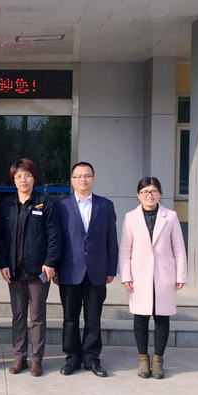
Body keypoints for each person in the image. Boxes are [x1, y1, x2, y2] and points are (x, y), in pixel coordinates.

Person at [0, 158, 61, 377]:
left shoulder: (44, 202)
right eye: (19, 176)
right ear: (13, 180)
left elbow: (54, 235)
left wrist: (50, 262)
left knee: (37, 315)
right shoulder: (7, 205)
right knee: (18, 315)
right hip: (14, 270)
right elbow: (1, 238)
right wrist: (3, 263)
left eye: (28, 175)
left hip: (38, 271)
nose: (23, 180)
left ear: (34, 178)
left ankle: (36, 359)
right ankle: (19, 357)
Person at [119, 177, 187, 379]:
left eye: (153, 191)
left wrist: (181, 274)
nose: (149, 195)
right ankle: (143, 360)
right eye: (145, 192)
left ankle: (158, 361)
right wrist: (126, 275)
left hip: (164, 274)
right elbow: (125, 249)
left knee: (162, 317)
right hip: (139, 275)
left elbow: (179, 247)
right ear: (138, 195)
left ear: (160, 194)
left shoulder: (170, 216)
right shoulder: (131, 217)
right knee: (140, 318)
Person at [55, 161, 118, 377]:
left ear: (93, 178)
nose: (83, 179)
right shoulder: (61, 205)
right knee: (70, 318)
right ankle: (72, 358)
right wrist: (55, 267)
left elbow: (111, 239)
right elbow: (56, 239)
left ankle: (92, 358)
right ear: (72, 180)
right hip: (69, 271)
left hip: (96, 271)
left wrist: (111, 268)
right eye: (79, 176)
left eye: (87, 175)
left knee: (93, 318)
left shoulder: (105, 205)